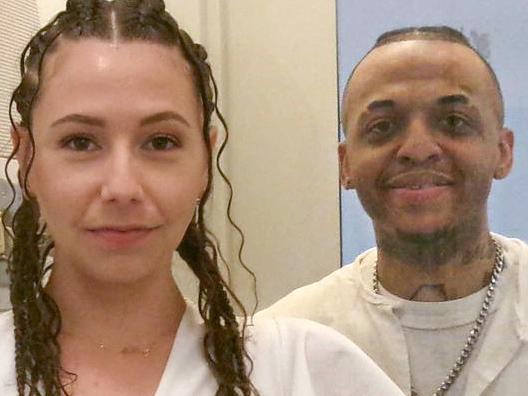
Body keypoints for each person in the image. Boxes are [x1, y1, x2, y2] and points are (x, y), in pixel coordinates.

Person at [0, 1, 405, 395]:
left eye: (160, 141)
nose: (122, 187)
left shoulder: (304, 370)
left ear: (205, 161)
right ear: (26, 157)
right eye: (80, 142)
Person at [259, 26, 528, 396]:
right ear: (346, 164)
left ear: (503, 151)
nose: (418, 149)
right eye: (382, 127)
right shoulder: (280, 346)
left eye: (453, 122)